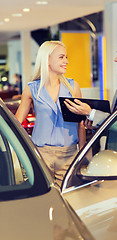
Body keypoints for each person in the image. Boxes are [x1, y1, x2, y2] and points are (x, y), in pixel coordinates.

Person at [15, 40, 86, 184]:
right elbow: (16, 123)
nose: (66, 61)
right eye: (61, 57)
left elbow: (81, 123)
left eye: (66, 57)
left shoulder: (73, 87)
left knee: (66, 200)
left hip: (69, 155)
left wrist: (82, 154)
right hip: (40, 155)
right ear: (47, 59)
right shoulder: (32, 89)